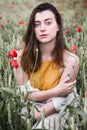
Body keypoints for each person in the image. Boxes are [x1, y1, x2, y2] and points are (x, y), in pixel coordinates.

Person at [14, 2, 79, 130]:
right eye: (37, 24)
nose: (42, 28)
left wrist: (37, 115)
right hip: (29, 105)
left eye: (48, 23)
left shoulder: (71, 60)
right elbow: (24, 94)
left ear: (58, 26)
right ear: (33, 29)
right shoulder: (21, 57)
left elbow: (61, 100)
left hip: (56, 108)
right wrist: (55, 91)